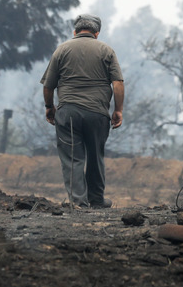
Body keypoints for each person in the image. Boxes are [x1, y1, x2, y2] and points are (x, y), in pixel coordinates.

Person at [40, 14, 124, 209]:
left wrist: (49, 107)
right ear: (96, 33)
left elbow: (48, 85)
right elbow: (118, 83)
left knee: (72, 157)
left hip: (68, 112)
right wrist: (118, 110)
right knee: (95, 156)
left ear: (75, 31)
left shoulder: (61, 50)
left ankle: (78, 201)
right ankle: (96, 199)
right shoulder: (106, 50)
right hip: (97, 113)